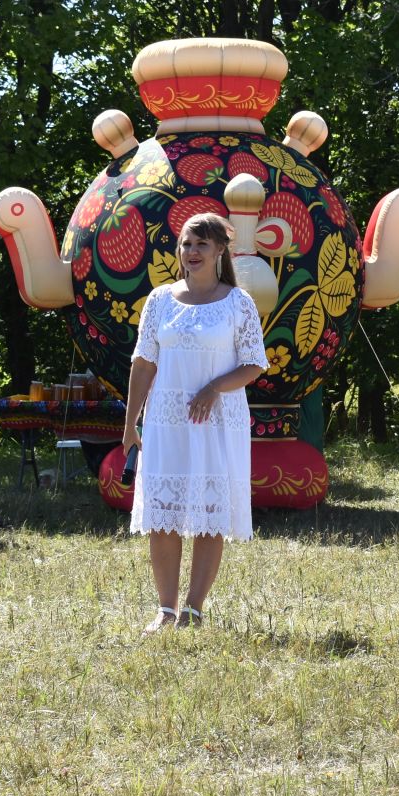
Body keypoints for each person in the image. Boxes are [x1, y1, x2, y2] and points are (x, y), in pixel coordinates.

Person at [120, 212, 267, 633]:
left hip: (218, 420)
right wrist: (132, 423)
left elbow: (254, 364)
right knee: (164, 515)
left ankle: (194, 609)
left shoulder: (238, 302)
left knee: (209, 511)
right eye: (186, 244)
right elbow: (144, 363)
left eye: (202, 244)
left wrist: (214, 388)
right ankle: (165, 610)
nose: (192, 252)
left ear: (221, 250)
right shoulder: (160, 300)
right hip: (166, 422)